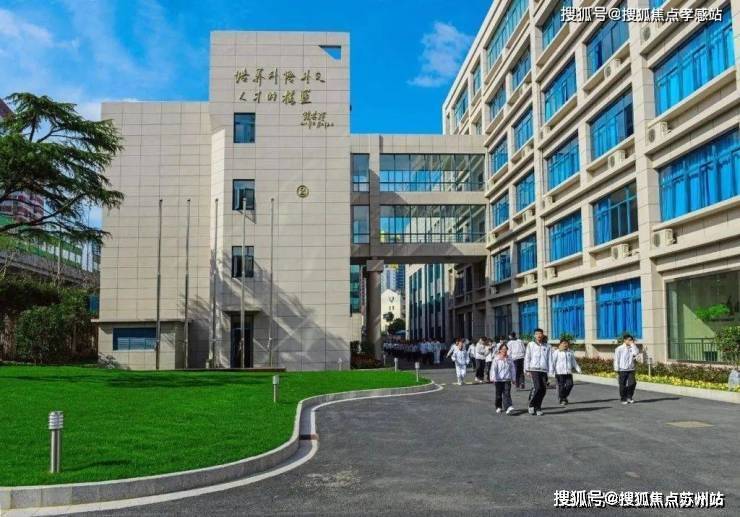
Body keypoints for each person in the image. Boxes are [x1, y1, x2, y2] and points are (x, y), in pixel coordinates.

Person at [524, 328, 551, 416]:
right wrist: (527, 369)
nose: (539, 335)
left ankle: (538, 407)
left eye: (540, 333)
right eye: (537, 334)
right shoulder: (531, 345)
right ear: (534, 335)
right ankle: (531, 405)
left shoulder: (547, 346)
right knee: (538, 387)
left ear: (542, 335)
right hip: (534, 369)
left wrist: (551, 372)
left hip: (544, 370)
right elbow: (527, 357)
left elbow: (550, 359)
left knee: (543, 390)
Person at [550, 339, 581, 406]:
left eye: (566, 343)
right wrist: (551, 371)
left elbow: (574, 362)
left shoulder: (570, 352)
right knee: (561, 387)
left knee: (570, 384)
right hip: (559, 372)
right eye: (564, 343)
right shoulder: (557, 352)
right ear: (560, 344)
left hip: (568, 372)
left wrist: (578, 369)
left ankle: (563, 397)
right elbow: (553, 362)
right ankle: (562, 399)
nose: (565, 345)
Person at [614, 334, 640, 404]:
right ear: (624, 340)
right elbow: (616, 359)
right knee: (622, 385)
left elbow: (636, 353)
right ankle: (623, 398)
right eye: (629, 340)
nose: (630, 341)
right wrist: (616, 370)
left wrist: (633, 345)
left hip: (631, 369)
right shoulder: (619, 348)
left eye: (631, 340)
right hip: (622, 369)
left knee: (633, 383)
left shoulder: (632, 347)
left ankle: (629, 397)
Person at [490, 343, 516, 414]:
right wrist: (493, 377)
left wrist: (513, 378)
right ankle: (498, 406)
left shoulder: (509, 358)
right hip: (498, 380)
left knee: (507, 393)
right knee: (498, 395)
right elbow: (493, 368)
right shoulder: (496, 359)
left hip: (507, 379)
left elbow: (512, 369)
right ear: (500, 350)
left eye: (506, 349)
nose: (504, 350)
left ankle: (508, 407)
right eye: (503, 349)